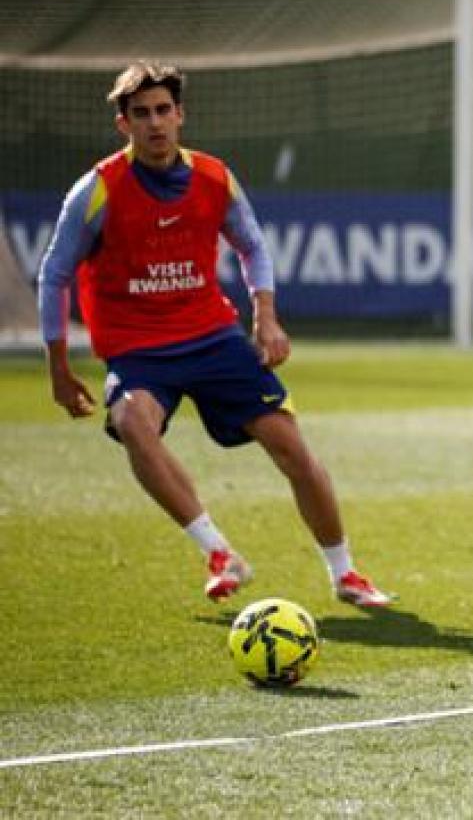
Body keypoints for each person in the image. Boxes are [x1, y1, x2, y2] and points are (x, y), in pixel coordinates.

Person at [37, 62, 394, 608]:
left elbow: (252, 244)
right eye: (141, 114)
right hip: (138, 348)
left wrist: (266, 316)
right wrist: (59, 369)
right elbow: (55, 275)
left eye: (163, 111)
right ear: (123, 125)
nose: (155, 123)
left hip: (212, 336)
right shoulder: (97, 191)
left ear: (180, 115)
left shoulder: (213, 177)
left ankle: (345, 573)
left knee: (292, 448)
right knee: (133, 421)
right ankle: (218, 551)